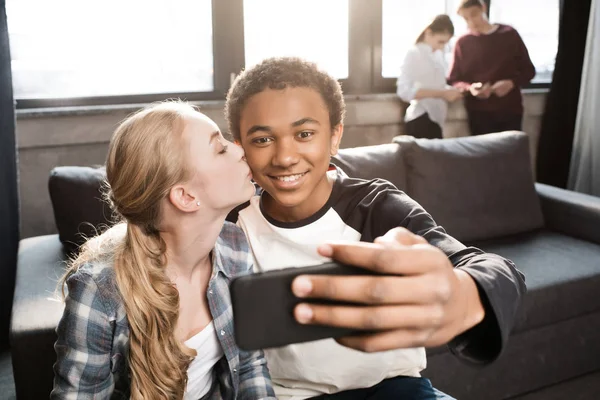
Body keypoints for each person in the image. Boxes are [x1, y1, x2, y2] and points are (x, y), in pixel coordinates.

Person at [225, 57, 526, 400]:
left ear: (334, 136)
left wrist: (463, 295)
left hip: (392, 390)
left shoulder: (376, 206)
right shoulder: (232, 222)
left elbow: (497, 271)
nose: (284, 157)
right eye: (263, 140)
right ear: (241, 149)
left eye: (304, 134)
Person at [51, 101, 275, 400]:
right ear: (185, 196)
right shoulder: (99, 294)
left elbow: (249, 365)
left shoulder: (235, 247)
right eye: (220, 149)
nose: (239, 149)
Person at [448, 0, 536, 136]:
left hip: (510, 109)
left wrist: (511, 83)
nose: (471, 22)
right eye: (466, 18)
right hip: (478, 113)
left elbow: (529, 71)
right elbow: (454, 79)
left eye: (474, 14)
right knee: (483, 155)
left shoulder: (509, 34)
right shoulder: (462, 42)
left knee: (510, 154)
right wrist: (470, 88)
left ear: (483, 8)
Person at [396, 14, 463, 139]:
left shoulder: (438, 56)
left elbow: (437, 85)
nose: (442, 46)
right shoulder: (414, 54)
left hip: (437, 120)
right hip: (420, 118)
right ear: (429, 33)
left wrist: (450, 91)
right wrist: (442, 93)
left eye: (446, 43)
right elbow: (404, 91)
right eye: (440, 41)